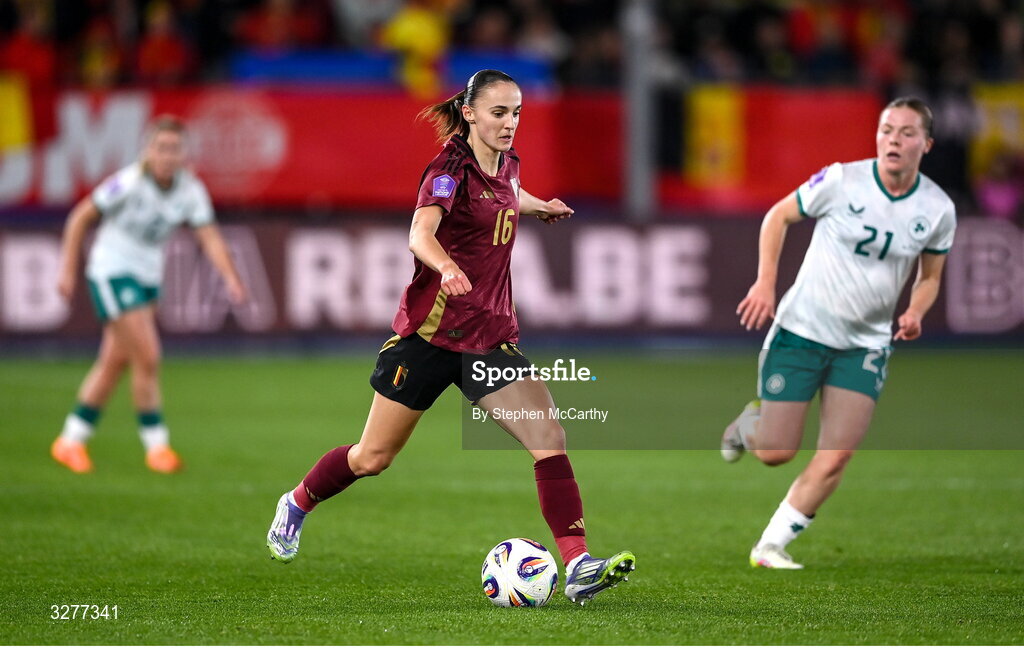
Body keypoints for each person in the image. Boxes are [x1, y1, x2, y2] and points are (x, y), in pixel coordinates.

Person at [265, 69, 635, 605]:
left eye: (516, 113)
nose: (510, 124)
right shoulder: (448, 169)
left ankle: (577, 564)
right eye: (499, 113)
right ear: (470, 113)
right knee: (372, 457)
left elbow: (507, 193)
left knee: (549, 440)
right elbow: (420, 232)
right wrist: (445, 267)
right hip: (431, 339)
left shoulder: (506, 163)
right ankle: (297, 502)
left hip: (488, 339)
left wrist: (539, 206)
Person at [720, 97, 956, 569]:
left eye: (907, 133)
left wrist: (915, 311)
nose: (894, 139)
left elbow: (930, 276)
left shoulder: (937, 209)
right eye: (887, 129)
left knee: (837, 454)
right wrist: (765, 282)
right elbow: (778, 216)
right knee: (776, 453)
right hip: (802, 331)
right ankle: (750, 426)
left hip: (865, 345)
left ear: (925, 144)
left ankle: (769, 546)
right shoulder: (842, 180)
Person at [52, 115, 247, 474]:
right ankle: (156, 446)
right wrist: (66, 269)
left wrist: (231, 278)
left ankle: (70, 440)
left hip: (147, 275)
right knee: (148, 355)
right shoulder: (128, 183)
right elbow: (80, 217)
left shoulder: (190, 189)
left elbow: (210, 237)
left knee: (114, 362)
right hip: (112, 270)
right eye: (161, 147)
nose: (167, 155)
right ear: (148, 150)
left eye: (174, 149)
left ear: (184, 154)